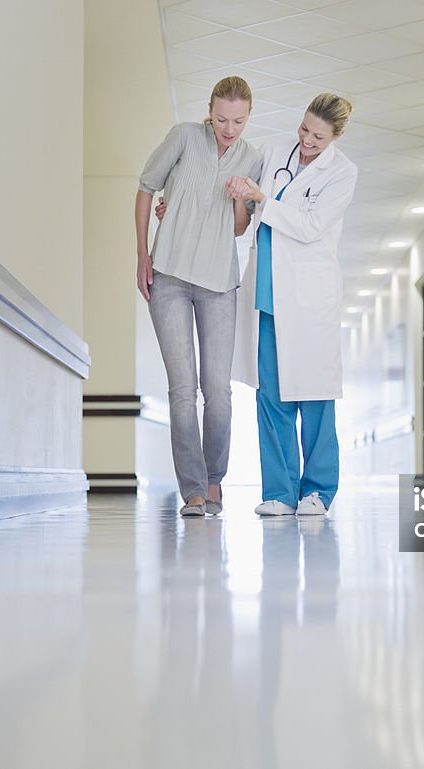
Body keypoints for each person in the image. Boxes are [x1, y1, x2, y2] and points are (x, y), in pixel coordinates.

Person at [135, 76, 263, 517]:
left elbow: (239, 228)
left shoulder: (253, 158)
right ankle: (191, 489)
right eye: (222, 118)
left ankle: (213, 481)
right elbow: (146, 187)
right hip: (168, 275)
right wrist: (142, 254)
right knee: (183, 389)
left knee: (218, 391)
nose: (230, 128)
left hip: (219, 283)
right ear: (209, 111)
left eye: (239, 120)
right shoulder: (185, 137)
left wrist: (240, 199)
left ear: (248, 117)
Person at [226, 93, 357, 517]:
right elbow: (239, 193)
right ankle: (279, 493)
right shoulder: (275, 152)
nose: (306, 140)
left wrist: (264, 201)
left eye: (318, 136)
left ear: (335, 136)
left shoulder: (342, 173)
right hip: (266, 292)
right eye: (303, 129)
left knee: (315, 397)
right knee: (272, 397)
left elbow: (311, 227)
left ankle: (317, 492)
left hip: (308, 299)